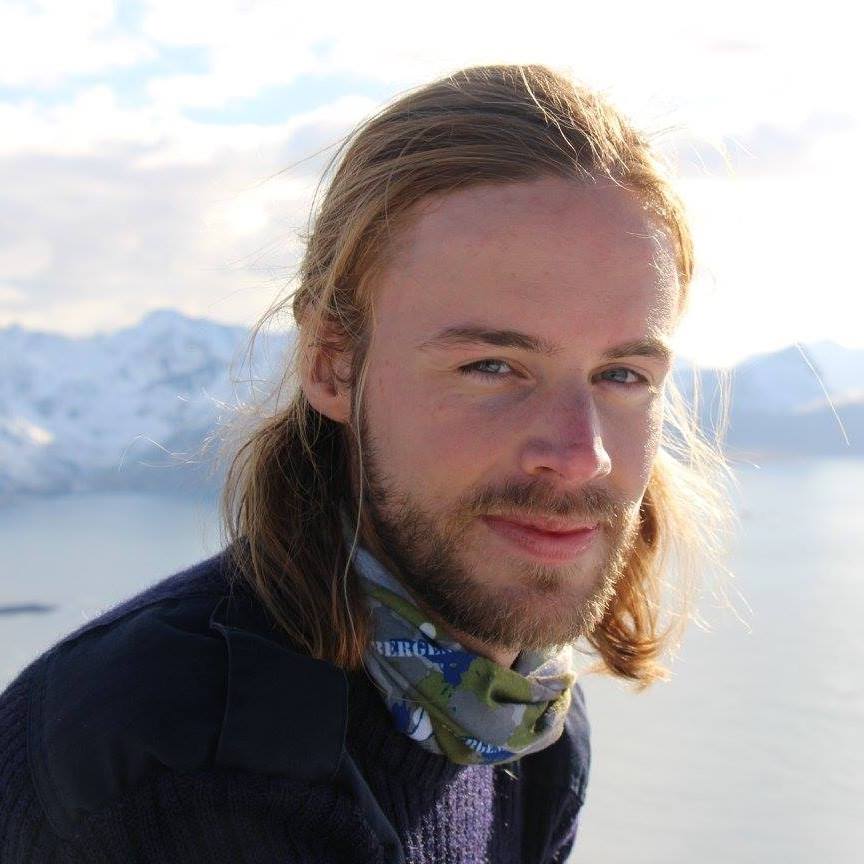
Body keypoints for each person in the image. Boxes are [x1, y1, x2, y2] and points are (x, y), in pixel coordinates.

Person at [0, 64, 731, 863]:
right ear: (333, 364)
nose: (579, 455)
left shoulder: (519, 719)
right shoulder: (188, 772)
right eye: (492, 365)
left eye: (622, 375)